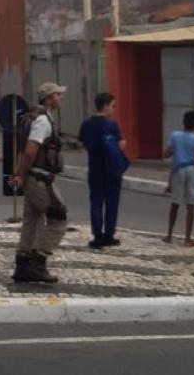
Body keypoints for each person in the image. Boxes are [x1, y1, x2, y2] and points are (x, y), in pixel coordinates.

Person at [11, 82, 67, 283]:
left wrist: (19, 174)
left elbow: (22, 150)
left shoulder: (30, 118)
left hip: (33, 177)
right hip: (40, 178)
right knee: (58, 218)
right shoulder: (42, 121)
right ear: (49, 98)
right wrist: (22, 176)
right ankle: (38, 262)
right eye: (58, 95)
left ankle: (23, 265)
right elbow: (30, 151)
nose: (60, 98)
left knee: (31, 220)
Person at [78, 92, 128, 249]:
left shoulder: (86, 124)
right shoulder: (111, 124)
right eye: (113, 105)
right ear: (106, 105)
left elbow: (83, 144)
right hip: (112, 170)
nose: (113, 109)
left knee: (96, 203)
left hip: (95, 168)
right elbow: (121, 145)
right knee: (112, 203)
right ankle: (109, 235)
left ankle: (97, 235)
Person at [162, 110, 194, 247]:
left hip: (178, 170)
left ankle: (169, 235)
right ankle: (187, 238)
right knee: (190, 205)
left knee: (175, 203)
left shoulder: (175, 135)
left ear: (183, 122)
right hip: (191, 170)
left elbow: (167, 154)